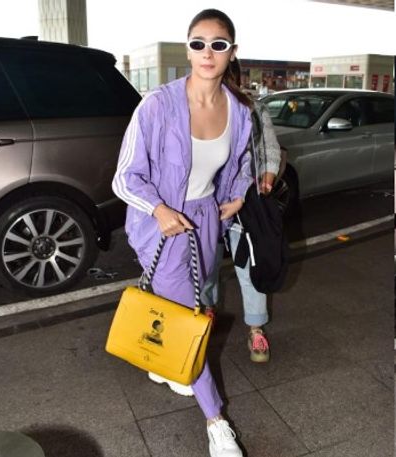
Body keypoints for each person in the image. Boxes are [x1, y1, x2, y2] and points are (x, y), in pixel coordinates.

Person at [112, 8, 255, 457]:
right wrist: (158, 209)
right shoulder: (157, 105)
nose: (207, 52)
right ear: (187, 50)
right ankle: (216, 422)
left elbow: (241, 162)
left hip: (208, 219)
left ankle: (163, 360)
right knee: (189, 321)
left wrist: (238, 194)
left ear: (232, 52)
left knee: (191, 302)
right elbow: (124, 178)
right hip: (163, 224)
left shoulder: (240, 111)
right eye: (198, 43)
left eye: (218, 44)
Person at [201, 94, 280, 364]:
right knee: (205, 264)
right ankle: (207, 310)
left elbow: (269, 146)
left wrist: (268, 176)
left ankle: (256, 328)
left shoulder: (253, 107)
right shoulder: (197, 103)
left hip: (244, 201)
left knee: (249, 266)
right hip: (205, 199)